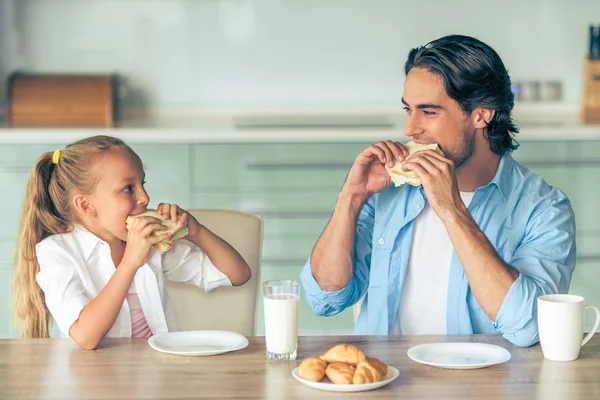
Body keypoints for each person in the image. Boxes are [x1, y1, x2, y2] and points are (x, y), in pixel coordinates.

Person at [301, 35, 576, 347]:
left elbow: (528, 328)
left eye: (428, 112)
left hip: (484, 388)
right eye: (408, 109)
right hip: (384, 381)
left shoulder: (544, 209)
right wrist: (350, 198)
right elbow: (325, 298)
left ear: (481, 114)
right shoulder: (389, 192)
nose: (409, 129)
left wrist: (452, 210)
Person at [12, 135, 251, 349]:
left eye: (142, 184)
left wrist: (197, 231)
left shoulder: (151, 243)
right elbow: (85, 336)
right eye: (128, 188)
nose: (145, 197)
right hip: (95, 381)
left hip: (158, 372)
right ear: (86, 205)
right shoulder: (57, 253)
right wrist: (130, 263)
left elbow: (238, 274)